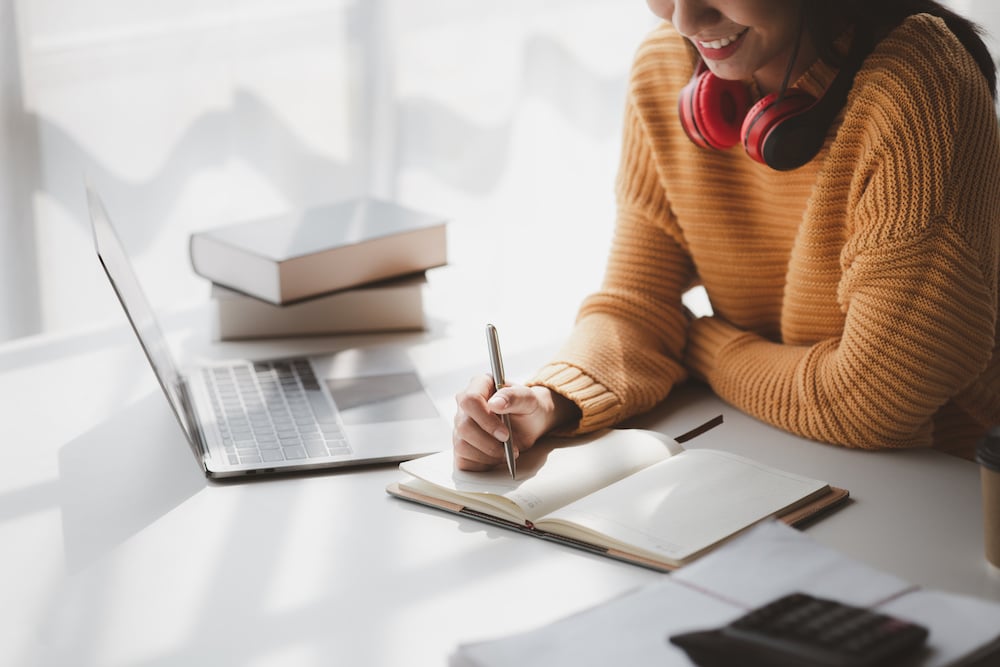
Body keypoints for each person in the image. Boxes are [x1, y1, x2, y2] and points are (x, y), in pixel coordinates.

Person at [454, 0, 1000, 471]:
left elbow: (872, 397)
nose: (685, 18)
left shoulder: (921, 82)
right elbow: (639, 305)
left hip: (944, 492)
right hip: (785, 454)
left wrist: (701, 345)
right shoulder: (667, 69)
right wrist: (548, 401)